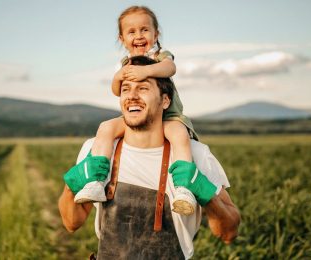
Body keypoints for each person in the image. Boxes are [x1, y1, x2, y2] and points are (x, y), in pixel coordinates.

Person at [59, 56, 240, 259]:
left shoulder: (194, 154)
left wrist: (205, 193)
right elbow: (71, 223)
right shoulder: (98, 149)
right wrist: (71, 185)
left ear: (165, 100)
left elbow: (228, 233)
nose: (132, 96)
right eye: (126, 89)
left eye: (143, 88)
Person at [74, 5, 199, 217]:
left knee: (178, 134)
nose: (139, 36)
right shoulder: (124, 64)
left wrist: (146, 71)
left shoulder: (159, 55)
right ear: (122, 38)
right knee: (105, 128)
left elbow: (171, 69)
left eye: (144, 30)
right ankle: (95, 181)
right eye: (131, 32)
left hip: (168, 117)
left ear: (155, 34)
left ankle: (183, 188)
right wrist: (118, 76)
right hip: (136, 115)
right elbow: (116, 91)